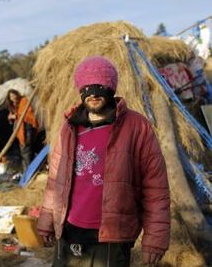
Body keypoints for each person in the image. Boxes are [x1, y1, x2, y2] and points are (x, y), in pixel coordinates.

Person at [37, 56, 170, 266]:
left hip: (112, 237)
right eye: (87, 87)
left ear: (112, 87)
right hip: (69, 231)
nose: (93, 93)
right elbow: (56, 180)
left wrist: (156, 238)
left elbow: (156, 187)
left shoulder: (136, 127)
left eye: (100, 85)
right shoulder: (69, 127)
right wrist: (46, 220)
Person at [6, 89, 39, 171]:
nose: (13, 97)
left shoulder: (24, 101)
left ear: (17, 94)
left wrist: (16, 116)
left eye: (14, 95)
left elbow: (28, 115)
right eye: (11, 96)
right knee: (25, 152)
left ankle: (29, 172)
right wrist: (11, 117)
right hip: (21, 130)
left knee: (26, 150)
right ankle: (28, 171)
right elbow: (13, 117)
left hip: (27, 128)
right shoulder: (14, 105)